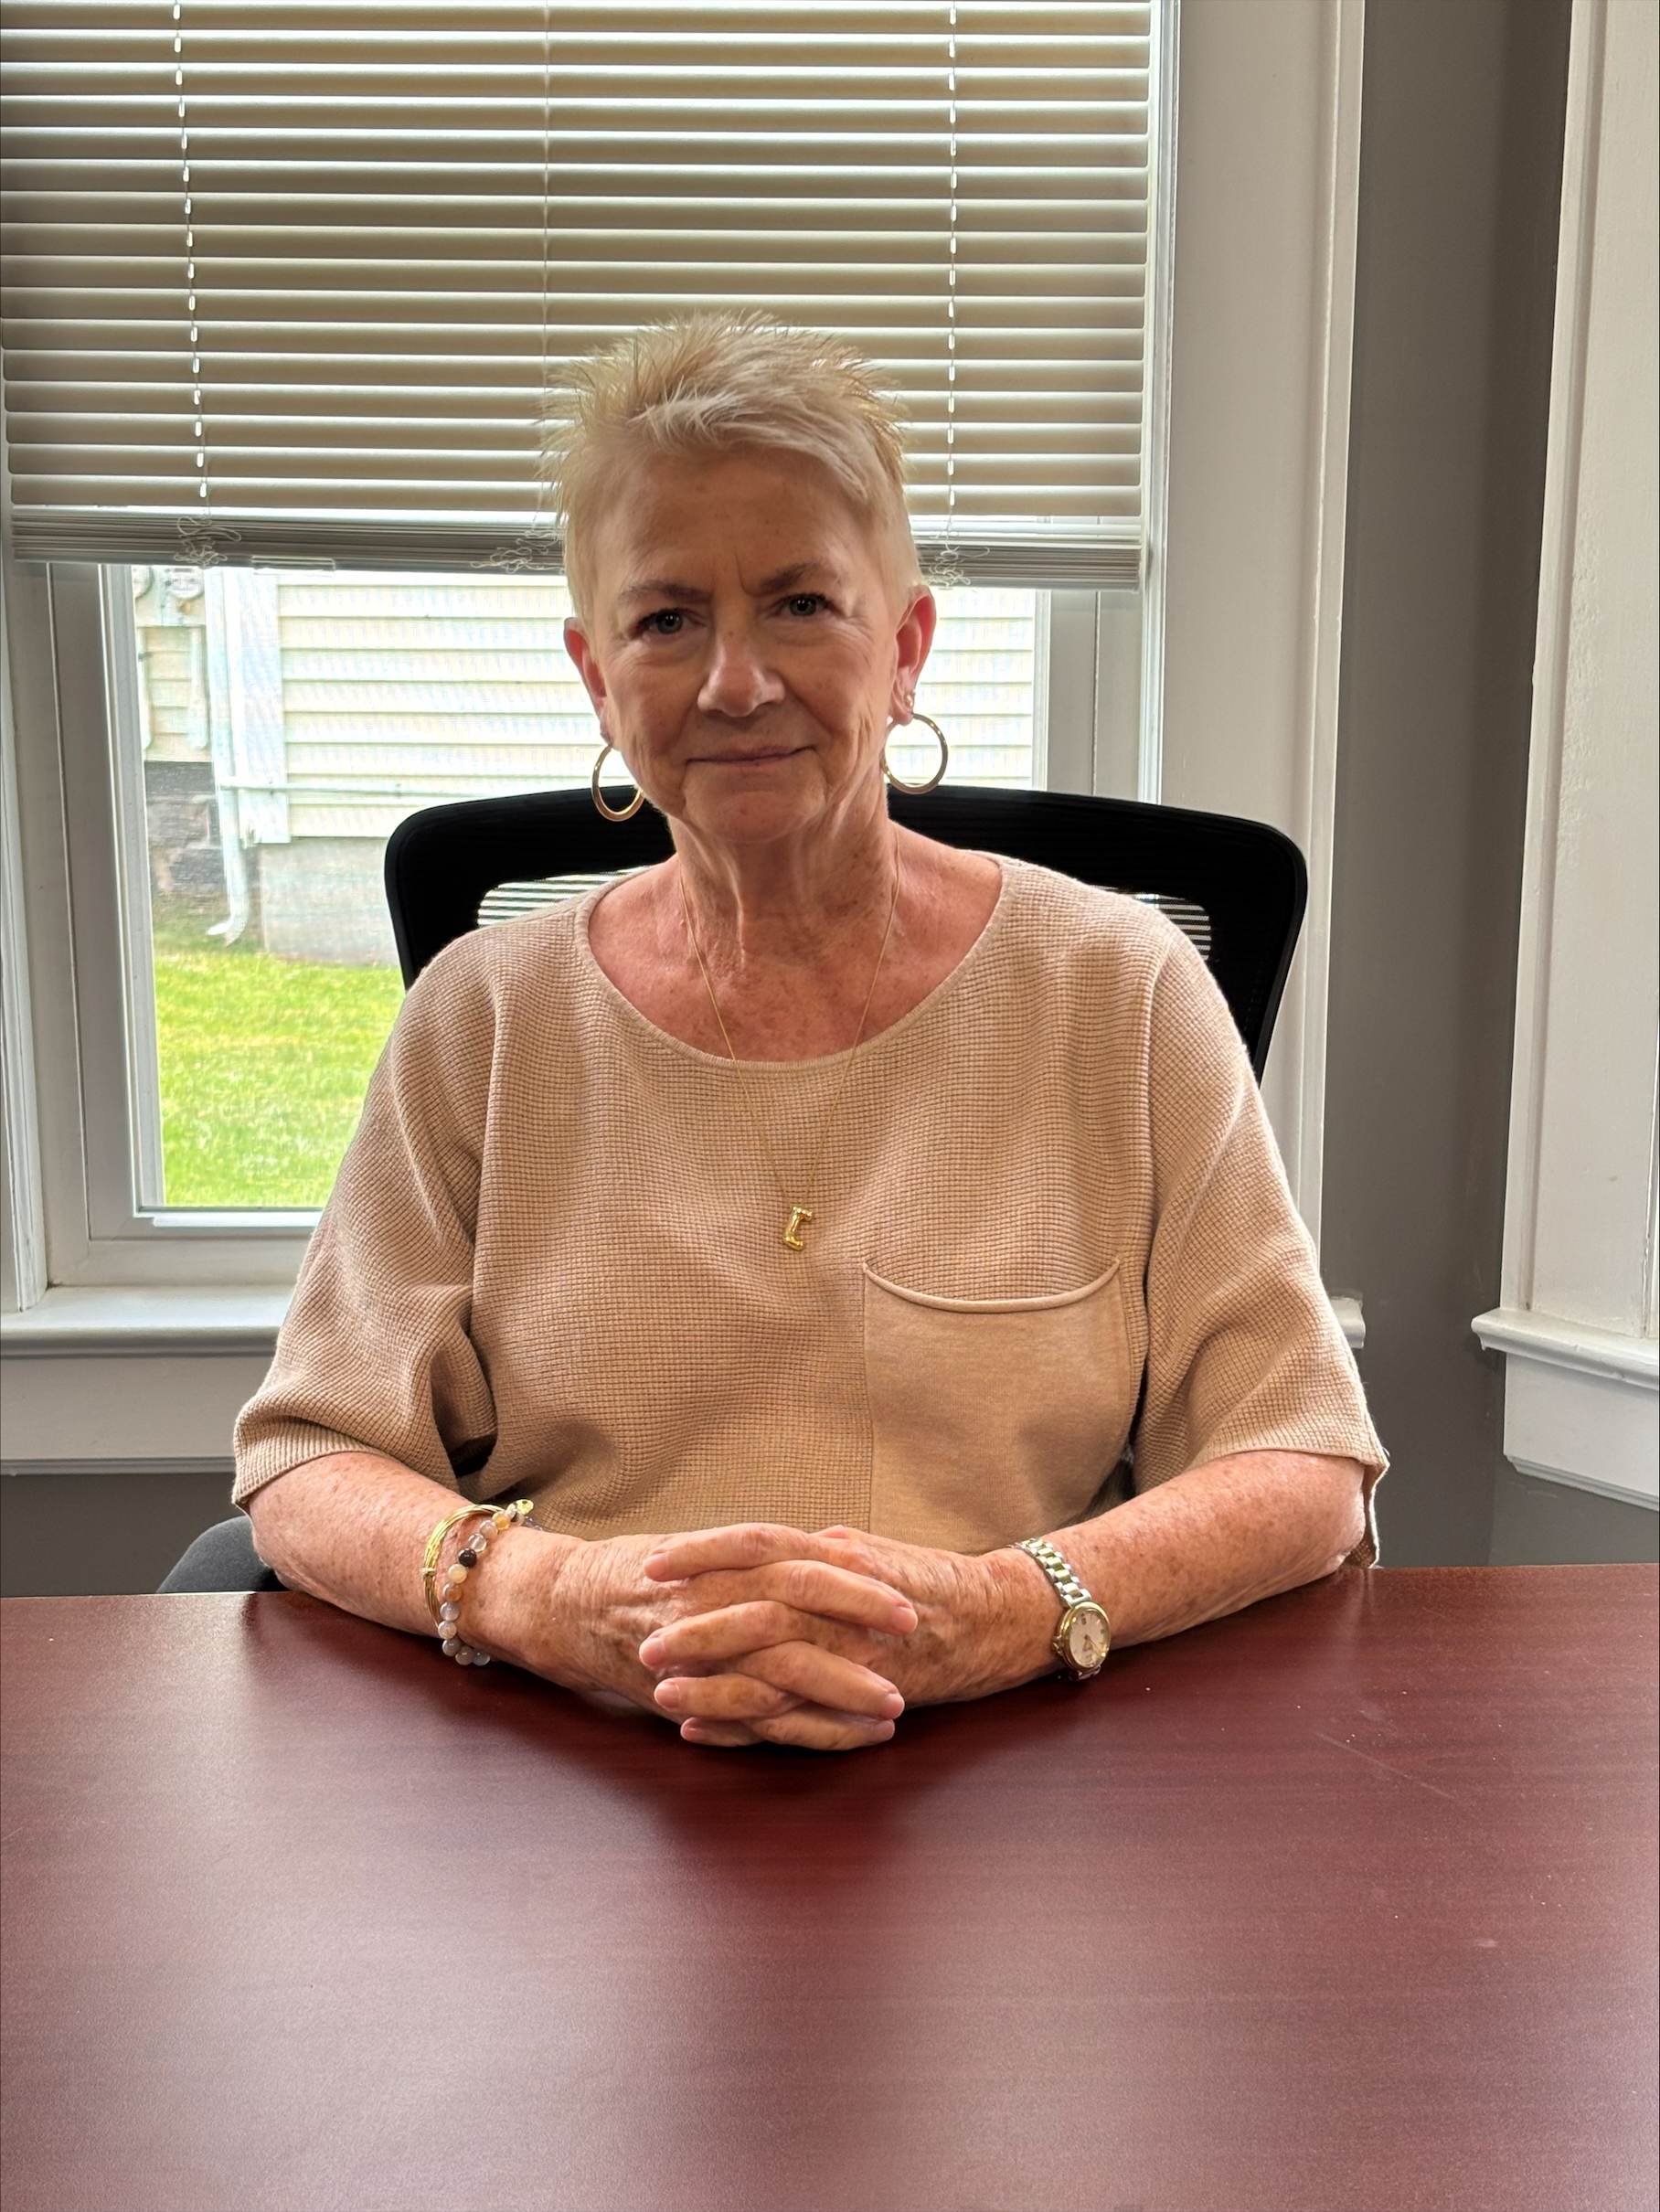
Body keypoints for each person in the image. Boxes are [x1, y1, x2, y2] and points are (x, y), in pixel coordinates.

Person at [233, 313, 1386, 1753]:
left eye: (799, 605)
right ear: (598, 680)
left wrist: (999, 1612)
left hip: (1024, 1759)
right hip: (578, 1767)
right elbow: (310, 1458)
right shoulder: (484, 1016)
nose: (733, 681)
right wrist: (554, 1596)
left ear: (903, 650)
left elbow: (1302, 1461)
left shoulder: (1121, 986)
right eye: (667, 620)